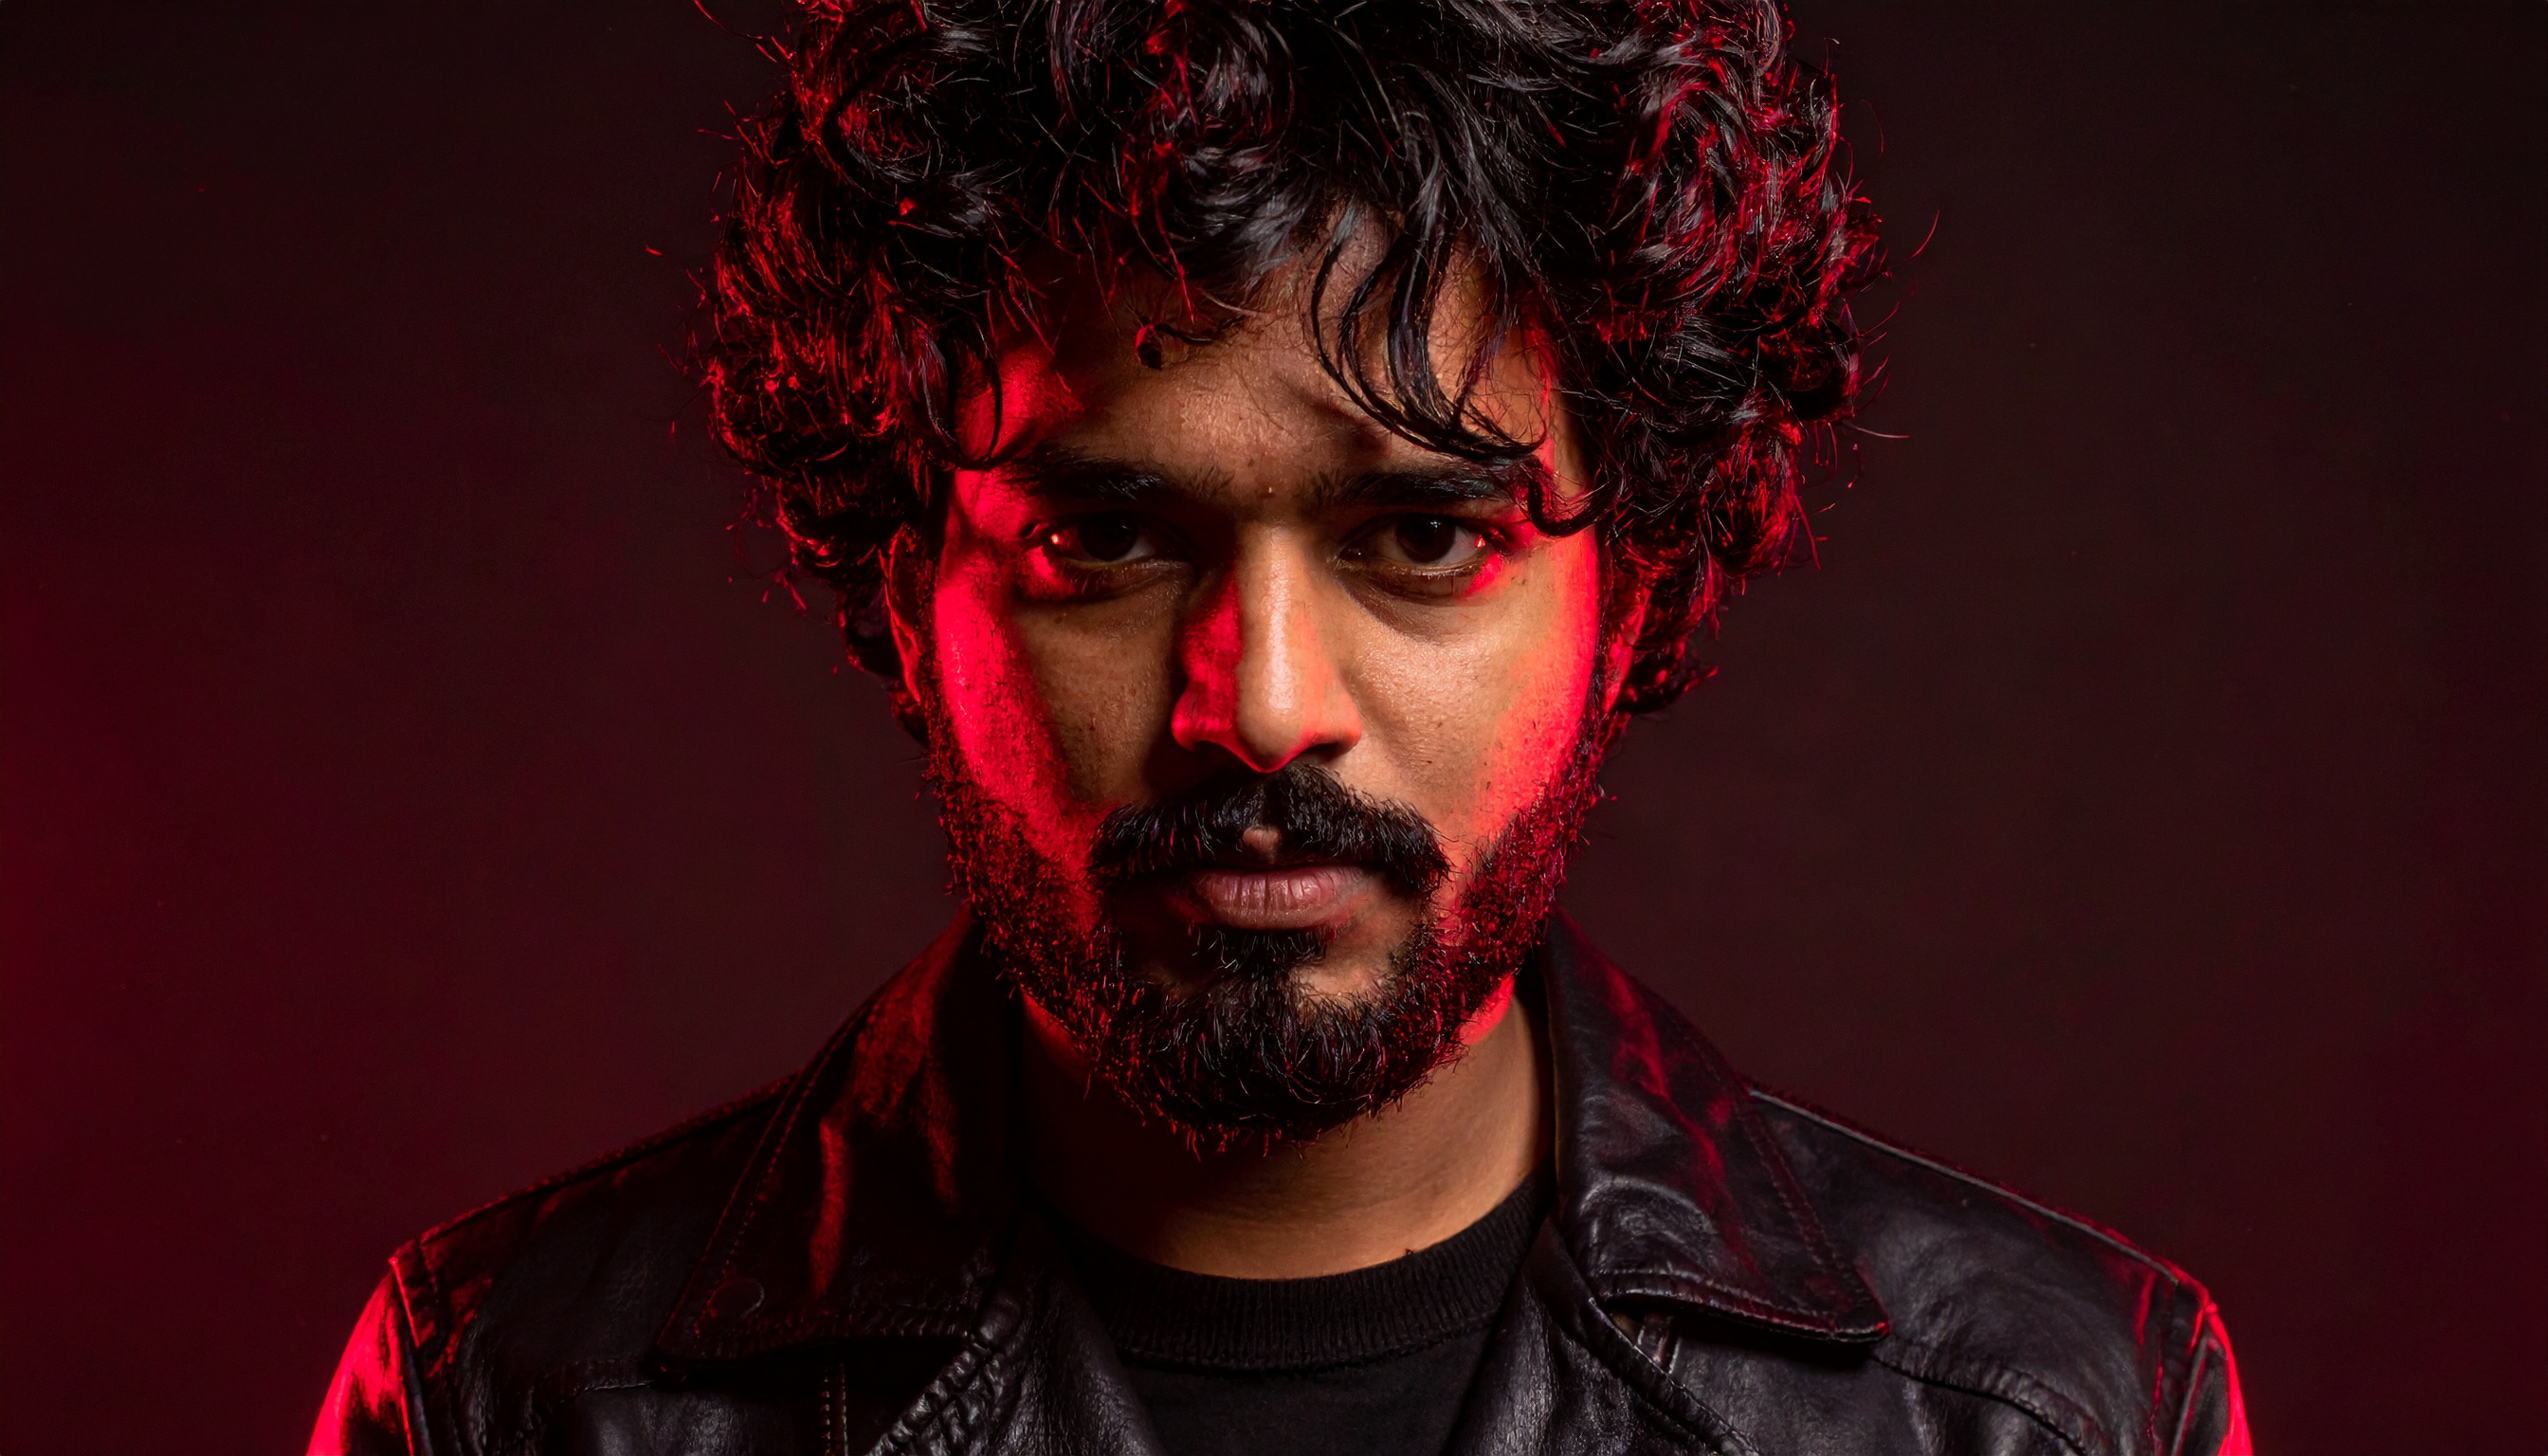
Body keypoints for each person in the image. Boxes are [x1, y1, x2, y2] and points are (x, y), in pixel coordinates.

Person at [311, 0, 2250, 1448]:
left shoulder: (2042, 1415)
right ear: (906, 584)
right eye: (1105, 535)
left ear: (1632, 587)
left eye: (1419, 534)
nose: (1260, 709)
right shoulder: (504, 1395)